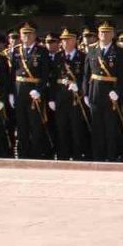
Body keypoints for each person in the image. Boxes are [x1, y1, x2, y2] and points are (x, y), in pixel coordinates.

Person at [85, 22, 123, 162]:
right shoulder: (92, 50)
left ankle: (111, 155)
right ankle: (98, 155)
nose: (104, 35)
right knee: (97, 126)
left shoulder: (119, 51)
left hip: (111, 93)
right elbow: (87, 74)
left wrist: (117, 91)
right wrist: (85, 93)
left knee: (110, 127)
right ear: (98, 34)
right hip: (95, 92)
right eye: (102, 32)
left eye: (107, 32)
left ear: (112, 34)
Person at [11, 23, 53, 159]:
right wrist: (11, 93)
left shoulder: (41, 51)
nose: (27, 36)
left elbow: (45, 74)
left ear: (35, 36)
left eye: (29, 34)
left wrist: (39, 90)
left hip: (34, 92)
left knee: (35, 124)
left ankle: (36, 153)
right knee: (21, 124)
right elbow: (12, 73)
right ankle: (23, 154)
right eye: (24, 34)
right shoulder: (16, 50)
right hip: (19, 91)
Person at [50, 29, 90, 161]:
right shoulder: (58, 56)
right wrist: (51, 98)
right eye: (63, 40)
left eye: (68, 39)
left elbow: (86, 76)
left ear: (75, 41)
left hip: (75, 97)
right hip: (60, 95)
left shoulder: (82, 56)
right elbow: (52, 78)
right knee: (61, 126)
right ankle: (63, 154)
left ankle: (77, 154)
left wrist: (79, 87)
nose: (65, 42)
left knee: (76, 127)